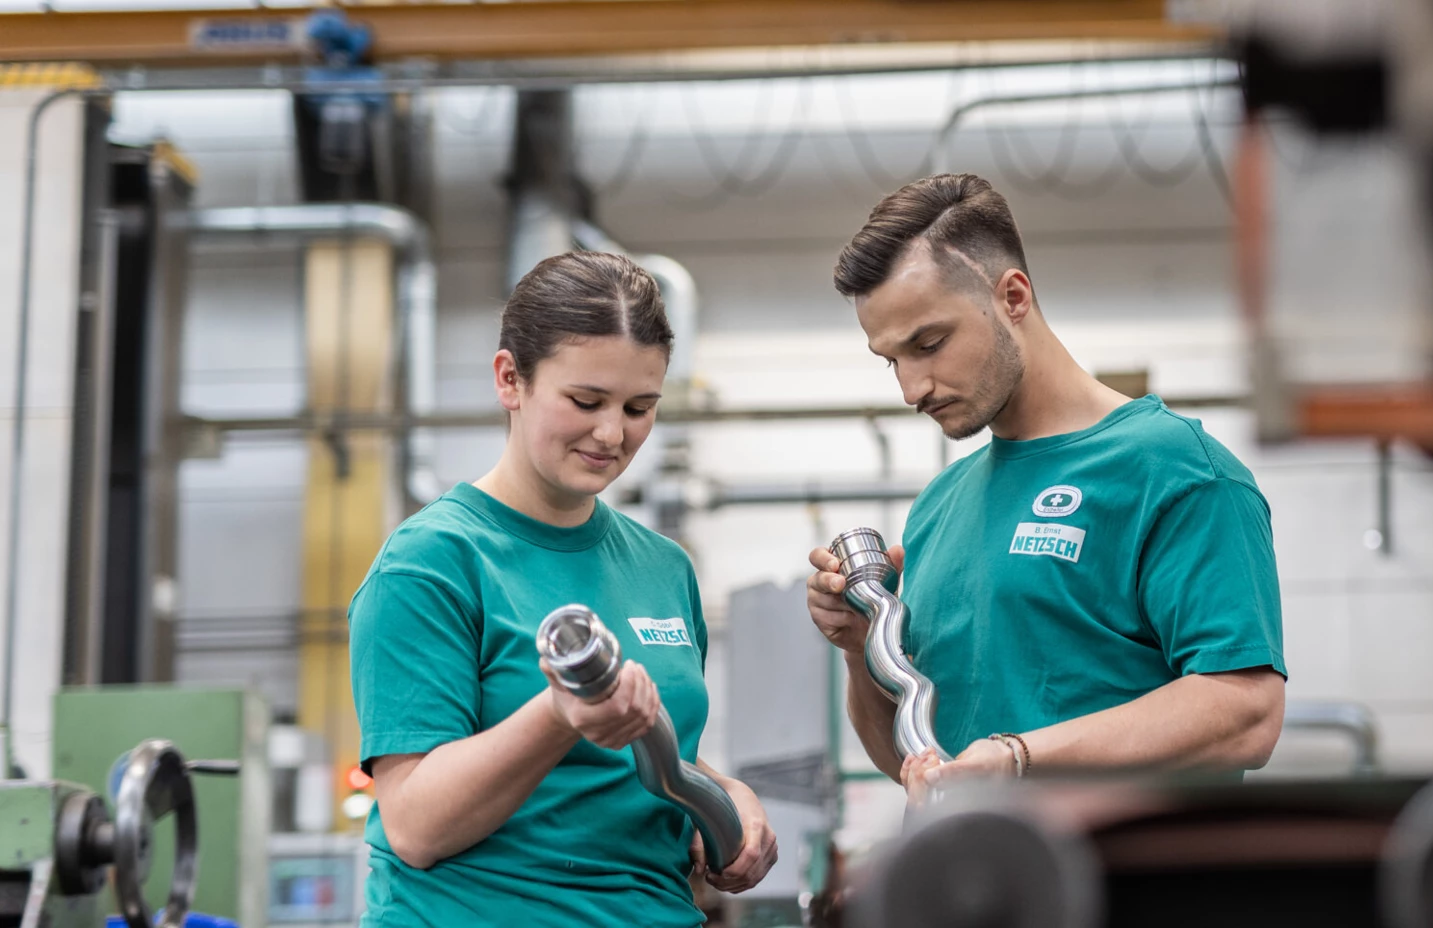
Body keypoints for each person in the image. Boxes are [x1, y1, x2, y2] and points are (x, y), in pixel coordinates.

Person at [804, 174, 1287, 801]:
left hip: (1111, 864)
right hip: (967, 861)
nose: (912, 388)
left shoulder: (1176, 471)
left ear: (1013, 296)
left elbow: (1246, 713)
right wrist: (860, 647)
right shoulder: (937, 507)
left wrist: (1018, 758)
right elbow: (910, 760)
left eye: (930, 343)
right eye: (892, 359)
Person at [350, 251, 777, 926]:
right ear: (510, 379)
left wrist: (727, 797)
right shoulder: (432, 563)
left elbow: (634, 762)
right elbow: (415, 825)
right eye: (586, 401)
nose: (612, 433)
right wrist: (557, 714)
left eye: (639, 407)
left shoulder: (663, 568)